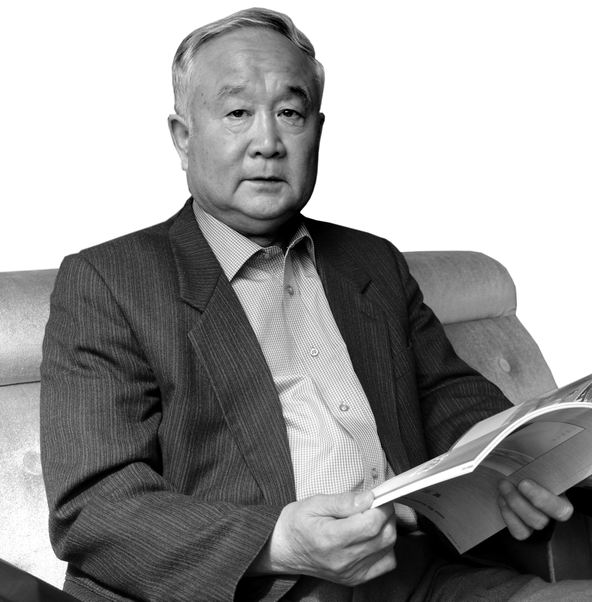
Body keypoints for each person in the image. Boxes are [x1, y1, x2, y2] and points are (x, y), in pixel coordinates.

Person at [40, 7, 592, 602]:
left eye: (289, 113)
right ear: (183, 136)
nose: (267, 144)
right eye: (237, 113)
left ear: (318, 130)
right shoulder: (109, 282)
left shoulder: (371, 261)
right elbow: (93, 507)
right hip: (258, 588)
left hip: (417, 576)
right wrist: (276, 544)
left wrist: (508, 461)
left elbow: (446, 396)